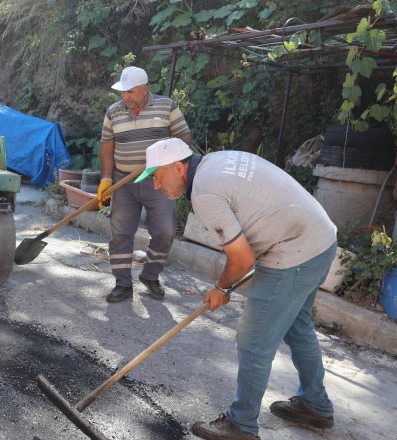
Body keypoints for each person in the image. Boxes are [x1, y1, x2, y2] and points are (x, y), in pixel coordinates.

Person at [135, 138, 338, 440]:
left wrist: (221, 288)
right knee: (297, 325)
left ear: (178, 168)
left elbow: (242, 258)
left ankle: (241, 425)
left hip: (294, 250)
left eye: (156, 176)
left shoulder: (205, 193)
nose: (155, 186)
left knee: (254, 341)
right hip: (320, 239)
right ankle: (315, 405)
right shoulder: (216, 161)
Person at [96, 66, 193, 303]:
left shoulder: (167, 106)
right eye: (123, 92)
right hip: (124, 181)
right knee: (120, 233)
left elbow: (184, 138)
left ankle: (150, 275)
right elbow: (107, 147)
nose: (125, 97)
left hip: (158, 180)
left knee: (165, 230)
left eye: (130, 92)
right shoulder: (113, 112)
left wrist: (164, 157)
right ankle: (122, 284)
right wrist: (106, 179)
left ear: (145, 89)